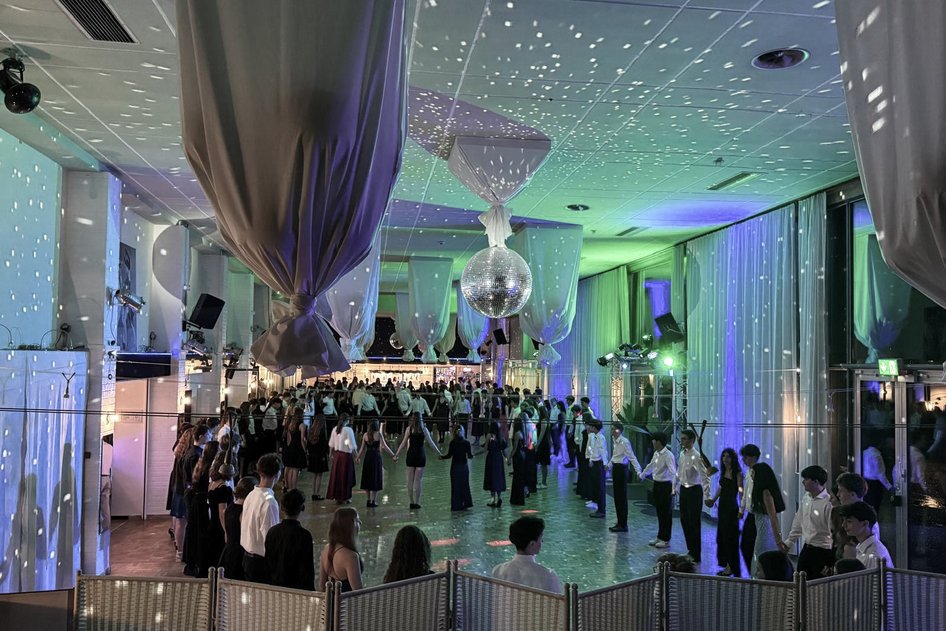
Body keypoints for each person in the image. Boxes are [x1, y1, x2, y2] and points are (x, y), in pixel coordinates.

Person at [781, 465, 833, 578]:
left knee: (817, 583)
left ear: (816, 482)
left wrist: (831, 560)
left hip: (823, 551)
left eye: (806, 479)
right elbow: (799, 520)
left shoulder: (828, 503)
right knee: (799, 580)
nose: (803, 482)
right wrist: (790, 541)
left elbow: (832, 531)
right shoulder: (806, 498)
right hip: (807, 548)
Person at [491, 516, 563, 594]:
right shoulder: (548, 576)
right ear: (532, 544)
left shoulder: (498, 571)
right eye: (540, 538)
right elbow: (557, 601)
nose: (542, 541)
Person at [241, 453, 283, 583]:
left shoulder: (251, 495)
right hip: (261, 563)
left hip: (247, 556)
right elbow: (270, 538)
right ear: (277, 474)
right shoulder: (269, 503)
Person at [265, 489, 315, 591]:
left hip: (275, 586)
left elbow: (268, 561)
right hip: (296, 588)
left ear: (282, 508)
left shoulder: (272, 532)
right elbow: (307, 569)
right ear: (302, 508)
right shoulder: (304, 536)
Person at [745, 453, 786, 577]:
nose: (751, 476)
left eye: (753, 473)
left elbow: (773, 517)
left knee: (760, 556)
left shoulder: (765, 493)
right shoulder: (760, 492)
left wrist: (778, 540)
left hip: (766, 531)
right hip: (762, 529)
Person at [676, 429, 712, 562]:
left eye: (684, 439)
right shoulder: (682, 454)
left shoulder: (696, 456)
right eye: (681, 438)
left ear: (691, 440)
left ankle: (696, 555)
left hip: (694, 491)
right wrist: (675, 487)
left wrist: (707, 496)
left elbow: (705, 477)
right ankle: (690, 550)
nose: (682, 441)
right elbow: (679, 472)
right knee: (684, 521)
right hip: (684, 490)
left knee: (694, 523)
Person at [394, 414, 442, 510]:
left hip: (411, 455)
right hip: (420, 456)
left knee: (410, 481)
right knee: (418, 481)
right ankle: (417, 502)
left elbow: (403, 443)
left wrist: (396, 454)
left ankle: (411, 502)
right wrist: (439, 453)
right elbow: (431, 443)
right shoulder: (424, 429)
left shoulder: (409, 429)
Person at [707, 448, 743, 576]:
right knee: (722, 537)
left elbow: (741, 490)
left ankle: (730, 566)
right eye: (723, 456)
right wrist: (713, 500)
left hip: (731, 508)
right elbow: (721, 488)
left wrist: (742, 508)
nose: (725, 459)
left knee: (730, 538)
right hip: (722, 507)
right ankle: (726, 564)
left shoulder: (737, 473)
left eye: (728, 456)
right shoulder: (724, 471)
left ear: (733, 458)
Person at [640, 432, 676, 548]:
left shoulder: (668, 455)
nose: (652, 442)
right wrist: (643, 475)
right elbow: (651, 466)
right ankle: (660, 537)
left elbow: (673, 473)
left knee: (666, 513)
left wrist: (674, 488)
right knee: (660, 512)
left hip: (665, 486)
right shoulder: (656, 453)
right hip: (657, 485)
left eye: (654, 440)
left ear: (659, 442)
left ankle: (666, 539)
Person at [219, 476, 256, 580]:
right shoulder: (244, 510)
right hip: (239, 553)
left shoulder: (230, 507)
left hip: (228, 550)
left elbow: (227, 533)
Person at [318, 507, 363, 592]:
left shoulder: (327, 549)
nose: (360, 522)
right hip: (346, 600)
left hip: (331, 599)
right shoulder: (351, 556)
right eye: (357, 520)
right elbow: (358, 591)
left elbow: (322, 586)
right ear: (350, 525)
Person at [838, 501, 893, 569]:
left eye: (849, 521)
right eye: (843, 520)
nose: (843, 525)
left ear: (865, 524)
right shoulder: (863, 547)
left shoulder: (874, 556)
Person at [608, 421, 642, 533]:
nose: (613, 431)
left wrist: (638, 471)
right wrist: (609, 466)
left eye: (615, 429)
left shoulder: (624, 442)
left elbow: (632, 457)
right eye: (612, 429)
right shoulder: (615, 441)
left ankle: (623, 524)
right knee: (617, 497)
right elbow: (615, 456)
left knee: (621, 497)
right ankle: (619, 522)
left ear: (620, 431)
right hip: (616, 469)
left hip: (622, 470)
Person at [358, 419, 396, 508]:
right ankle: (373, 500)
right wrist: (393, 455)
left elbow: (362, 448)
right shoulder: (378, 434)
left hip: (368, 457)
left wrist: (357, 457)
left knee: (367, 477)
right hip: (376, 457)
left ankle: (368, 500)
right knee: (375, 477)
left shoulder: (365, 435)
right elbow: (384, 446)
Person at [326, 415, 359, 504]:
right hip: (346, 456)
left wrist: (330, 454)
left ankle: (337, 497)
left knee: (337, 477)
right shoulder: (348, 430)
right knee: (346, 477)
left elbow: (331, 444)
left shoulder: (335, 429)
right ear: (347, 420)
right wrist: (357, 456)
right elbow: (352, 445)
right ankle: (345, 497)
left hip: (337, 456)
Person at [441, 424, 474, 511]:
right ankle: (465, 503)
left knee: (455, 486)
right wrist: (473, 455)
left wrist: (442, 457)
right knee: (465, 485)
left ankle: (456, 505)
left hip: (455, 467)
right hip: (464, 467)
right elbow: (469, 456)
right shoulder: (466, 443)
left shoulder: (453, 443)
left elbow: (449, 455)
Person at [587, 419, 609, 519]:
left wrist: (605, 464)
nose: (589, 428)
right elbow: (592, 450)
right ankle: (599, 509)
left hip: (599, 464)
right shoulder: (594, 436)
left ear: (594, 427)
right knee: (596, 486)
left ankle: (602, 510)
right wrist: (591, 460)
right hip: (595, 463)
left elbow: (603, 451)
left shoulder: (601, 438)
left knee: (600, 488)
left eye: (591, 426)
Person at [281, 410, 307, 491]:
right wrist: (305, 450)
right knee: (295, 470)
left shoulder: (289, 424)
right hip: (297, 449)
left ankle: (287, 486)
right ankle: (293, 488)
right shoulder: (302, 425)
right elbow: (302, 439)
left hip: (288, 448)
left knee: (287, 468)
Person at [484, 421, 508, 507]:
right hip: (499, 458)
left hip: (491, 458)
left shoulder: (489, 436)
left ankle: (493, 499)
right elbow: (504, 451)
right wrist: (507, 459)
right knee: (498, 477)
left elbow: (485, 449)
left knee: (491, 477)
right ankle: (499, 497)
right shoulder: (501, 436)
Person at [307, 414, 330, 501]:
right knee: (319, 475)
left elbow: (308, 444)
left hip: (312, 455)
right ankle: (317, 493)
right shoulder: (322, 432)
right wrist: (327, 454)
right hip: (320, 455)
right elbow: (324, 445)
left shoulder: (311, 430)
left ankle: (313, 493)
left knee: (314, 475)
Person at [507, 417, 528, 506]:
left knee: (516, 477)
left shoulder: (516, 434)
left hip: (518, 456)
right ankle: (520, 496)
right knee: (520, 476)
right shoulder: (522, 432)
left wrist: (509, 458)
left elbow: (515, 448)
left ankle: (516, 498)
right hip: (522, 455)